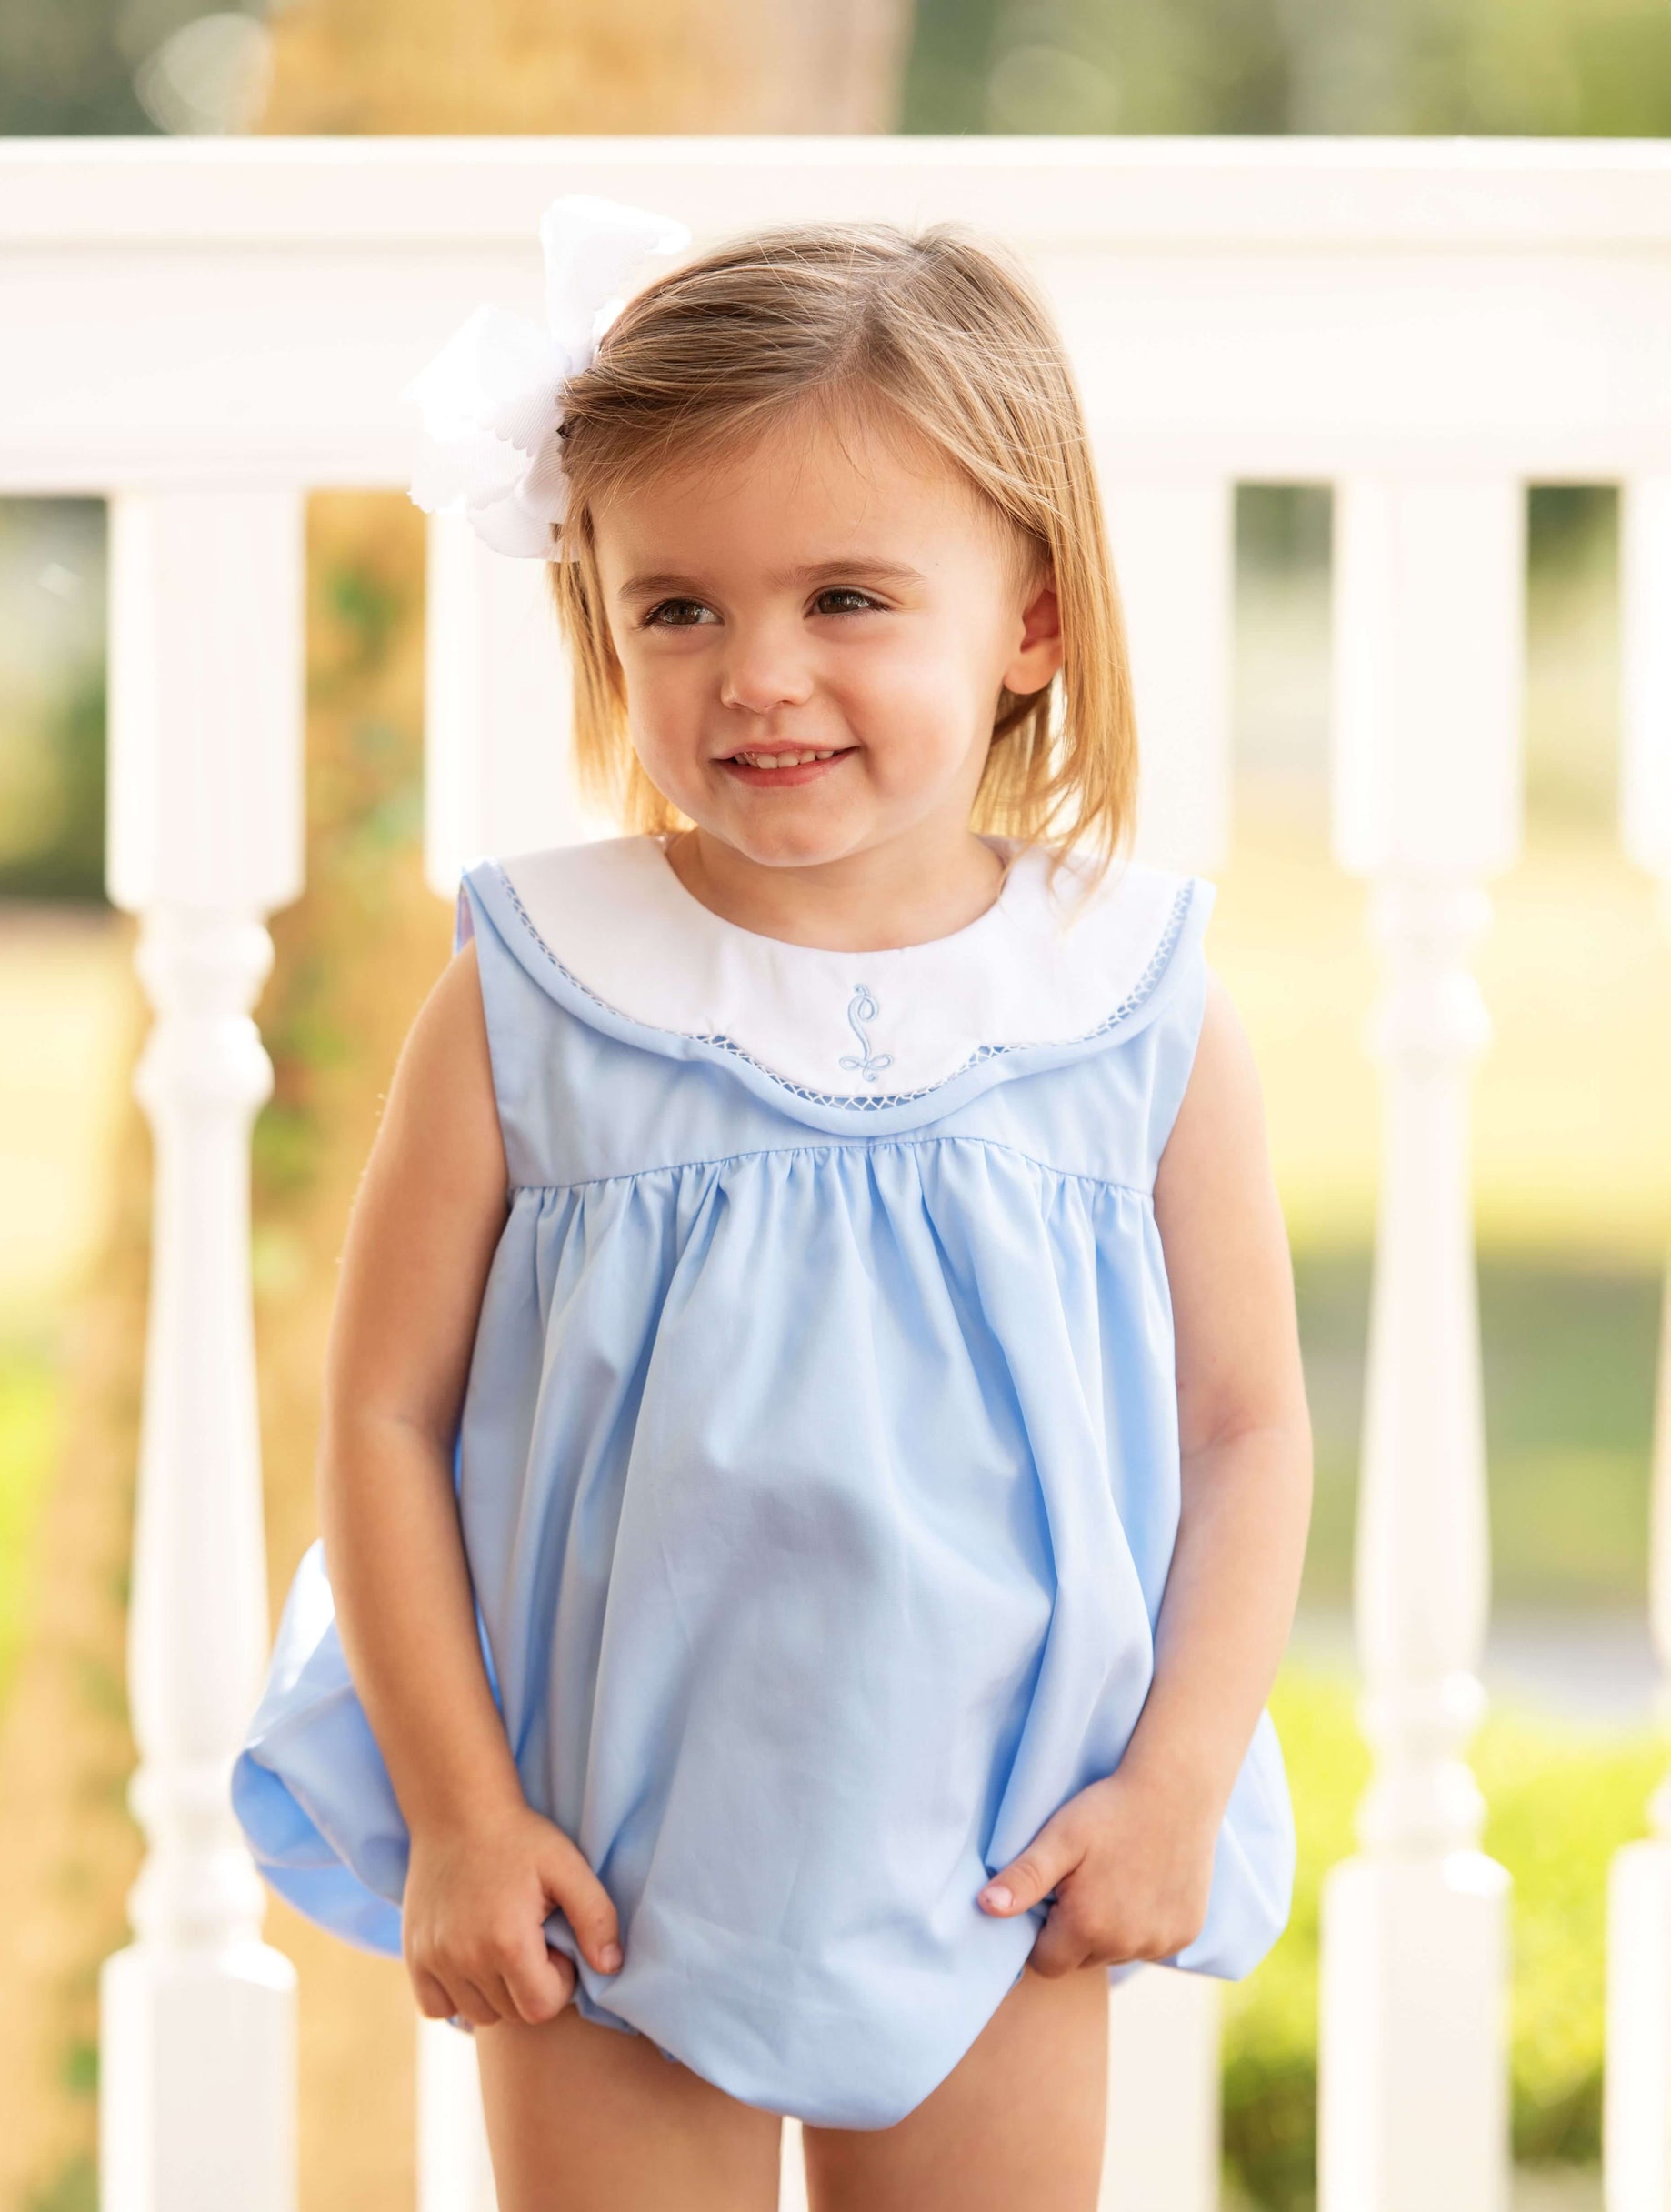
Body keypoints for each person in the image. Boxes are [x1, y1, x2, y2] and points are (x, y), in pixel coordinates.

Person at [231, 195, 1312, 2212]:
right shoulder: (532, 991)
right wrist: (465, 1816)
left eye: (845, 597)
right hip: (606, 1870)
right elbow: (378, 1415)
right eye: (679, 608)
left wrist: (1170, 1784)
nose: (760, 674)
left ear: (1032, 617)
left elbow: (1247, 1433)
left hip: (1003, 1852)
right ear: (601, 617)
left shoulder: (1132, 1006)